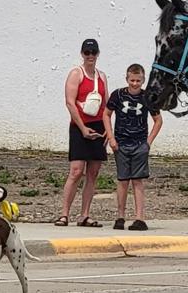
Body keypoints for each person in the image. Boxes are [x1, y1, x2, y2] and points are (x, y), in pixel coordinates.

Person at [103, 64, 163, 231]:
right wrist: (111, 137)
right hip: (121, 143)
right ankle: (120, 216)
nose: (135, 83)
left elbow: (158, 120)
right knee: (122, 180)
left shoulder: (147, 97)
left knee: (137, 180)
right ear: (127, 79)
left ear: (143, 80)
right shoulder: (118, 95)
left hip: (139, 144)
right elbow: (106, 114)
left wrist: (148, 142)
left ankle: (139, 218)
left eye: (138, 80)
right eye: (132, 80)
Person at [55, 39, 108, 227]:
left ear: (98, 54)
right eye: (87, 52)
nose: (90, 56)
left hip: (98, 126)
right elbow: (70, 102)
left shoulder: (101, 77)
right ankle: (64, 214)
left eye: (94, 52)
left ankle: (84, 214)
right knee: (76, 171)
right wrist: (82, 128)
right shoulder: (76, 74)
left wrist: (108, 131)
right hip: (80, 126)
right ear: (82, 54)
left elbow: (106, 106)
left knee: (93, 172)